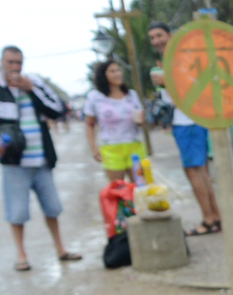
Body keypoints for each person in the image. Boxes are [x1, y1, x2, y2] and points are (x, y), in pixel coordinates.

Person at [0, 46, 80, 271]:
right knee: (17, 211)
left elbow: (58, 110)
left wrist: (31, 90)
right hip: (14, 161)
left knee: (52, 208)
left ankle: (61, 249)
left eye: (18, 63)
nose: (15, 67)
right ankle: (21, 255)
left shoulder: (36, 83)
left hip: (41, 159)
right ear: (1, 61)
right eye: (10, 62)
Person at [146, 21, 222, 236]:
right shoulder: (169, 60)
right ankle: (215, 216)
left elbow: (184, 87)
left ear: (169, 35)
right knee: (201, 171)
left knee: (194, 171)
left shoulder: (179, 59)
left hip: (187, 121)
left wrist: (165, 78)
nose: (156, 41)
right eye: (152, 38)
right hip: (188, 121)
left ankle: (208, 219)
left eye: (159, 35)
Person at [84, 59, 146, 182]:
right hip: (110, 148)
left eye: (118, 70)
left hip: (134, 146)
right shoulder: (95, 97)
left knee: (140, 187)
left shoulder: (131, 95)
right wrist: (93, 148)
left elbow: (141, 120)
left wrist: (141, 120)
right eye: (112, 71)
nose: (117, 73)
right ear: (103, 75)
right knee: (118, 190)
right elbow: (89, 124)